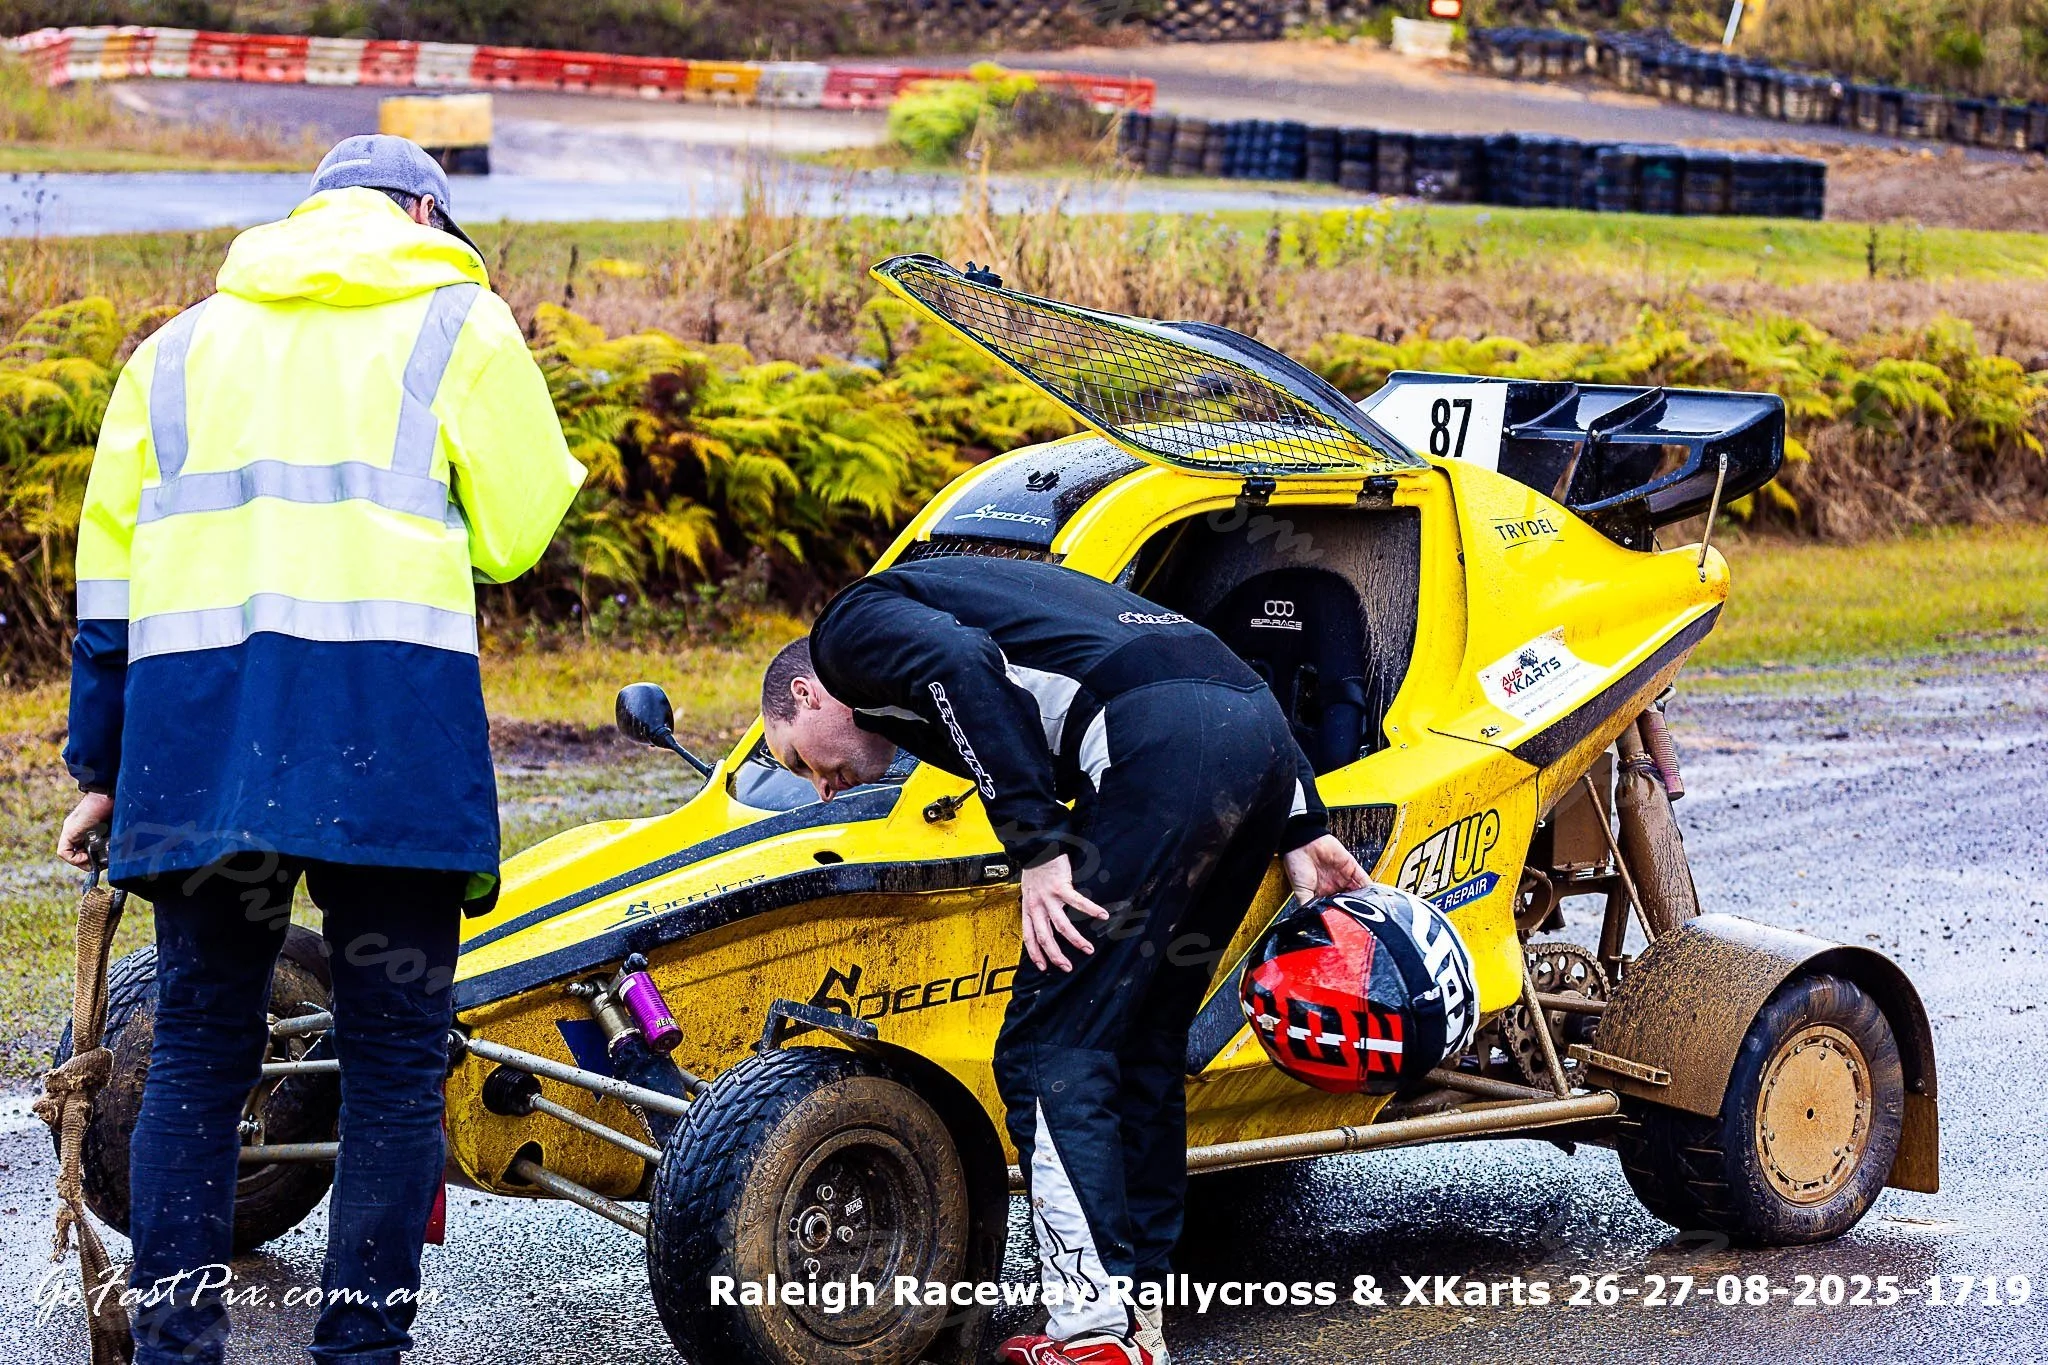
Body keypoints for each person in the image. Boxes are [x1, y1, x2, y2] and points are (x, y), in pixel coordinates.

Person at [56, 135, 585, 1364]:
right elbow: (512, 536)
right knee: (395, 1062)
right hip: (385, 750)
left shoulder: (174, 350)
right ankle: (358, 1352)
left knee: (196, 1046)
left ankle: (180, 1350)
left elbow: (108, 584)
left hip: (205, 756)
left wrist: (101, 764)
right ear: (421, 212)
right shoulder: (460, 321)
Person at [759, 555, 1369, 1365]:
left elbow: (961, 665)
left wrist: (1039, 849)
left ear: (807, 696)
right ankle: (1140, 1308)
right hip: (1254, 739)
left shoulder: (846, 633)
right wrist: (1300, 819)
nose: (822, 788)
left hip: (1155, 749)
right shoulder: (977, 600)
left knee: (1050, 1048)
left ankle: (1093, 1330)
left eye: (799, 759)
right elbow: (1197, 658)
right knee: (1140, 1037)